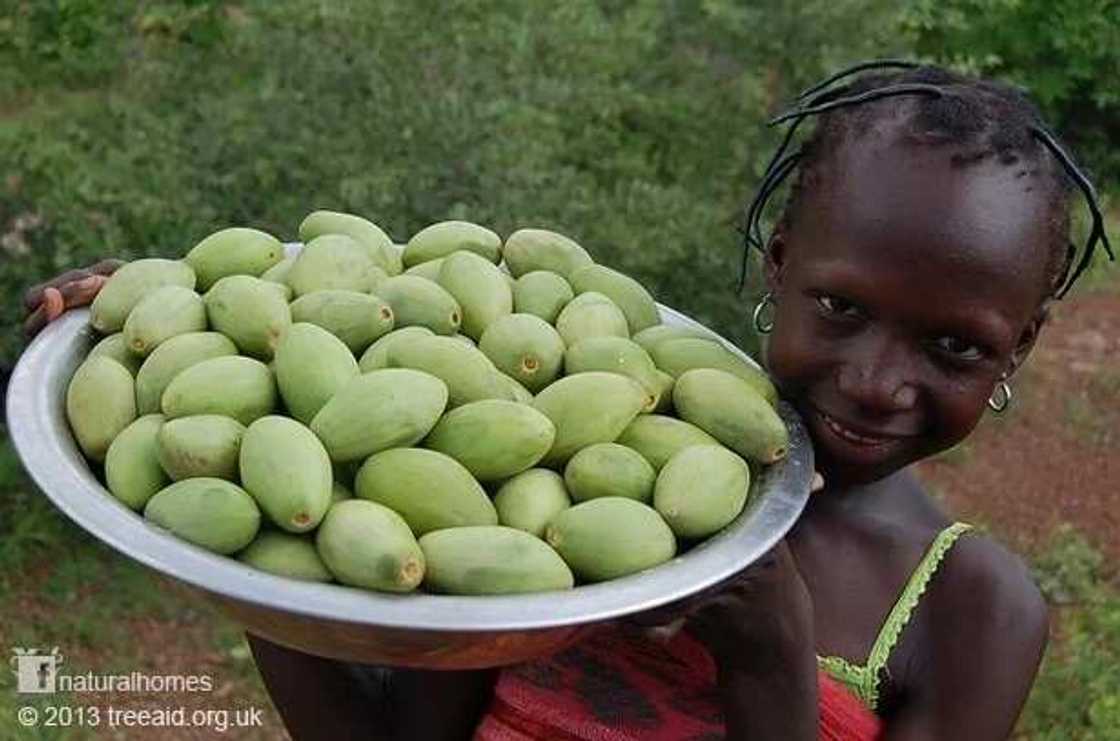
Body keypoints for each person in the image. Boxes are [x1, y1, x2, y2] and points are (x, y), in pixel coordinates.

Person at [24, 60, 1114, 740]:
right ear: (778, 264)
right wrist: (186, 331)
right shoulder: (570, 472)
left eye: (953, 348)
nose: (878, 382)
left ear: (1015, 345)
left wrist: (771, 666)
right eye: (838, 307)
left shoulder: (971, 612)